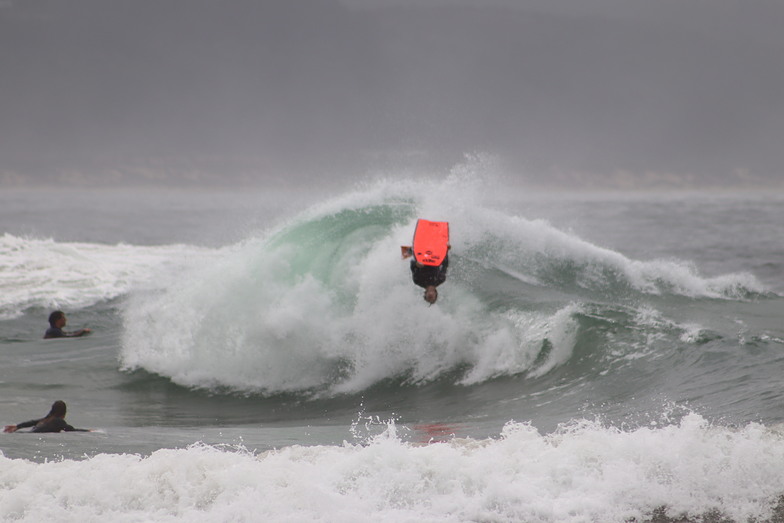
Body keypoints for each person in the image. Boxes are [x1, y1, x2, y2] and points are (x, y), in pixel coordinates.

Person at [3, 400, 89, 433]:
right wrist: (88, 431)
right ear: (64, 412)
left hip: (29, 433)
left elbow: (31, 422)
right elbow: (70, 430)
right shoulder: (58, 421)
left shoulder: (46, 419)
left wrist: (17, 426)